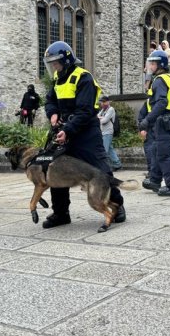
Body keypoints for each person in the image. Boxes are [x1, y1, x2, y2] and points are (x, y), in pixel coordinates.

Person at [43, 41, 126, 228]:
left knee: (100, 169)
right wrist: (53, 114)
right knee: (57, 171)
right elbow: (50, 101)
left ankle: (117, 206)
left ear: (66, 60)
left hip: (86, 133)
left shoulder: (83, 78)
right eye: (51, 63)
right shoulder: (57, 78)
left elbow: (84, 110)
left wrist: (67, 130)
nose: (54, 66)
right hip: (65, 130)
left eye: (56, 62)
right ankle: (61, 213)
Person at [139, 50, 170, 196]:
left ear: (160, 65)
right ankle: (155, 180)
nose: (150, 66)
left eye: (153, 63)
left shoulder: (160, 80)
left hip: (163, 120)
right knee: (156, 150)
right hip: (169, 118)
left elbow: (162, 102)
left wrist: (147, 120)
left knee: (163, 155)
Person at [98, 96, 123, 171]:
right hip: (103, 132)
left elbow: (104, 121)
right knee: (110, 149)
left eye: (104, 102)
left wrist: (100, 117)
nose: (102, 103)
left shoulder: (111, 109)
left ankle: (105, 167)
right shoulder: (102, 110)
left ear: (108, 102)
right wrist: (101, 117)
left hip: (108, 132)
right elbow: (97, 117)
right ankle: (117, 164)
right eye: (101, 102)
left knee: (104, 150)